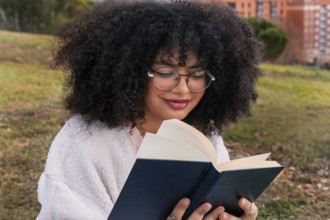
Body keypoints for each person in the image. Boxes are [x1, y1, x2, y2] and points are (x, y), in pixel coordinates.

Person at [37, 0, 261, 219]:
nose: (183, 89)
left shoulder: (205, 137)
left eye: (196, 75)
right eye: (165, 73)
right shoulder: (84, 143)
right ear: (129, 72)